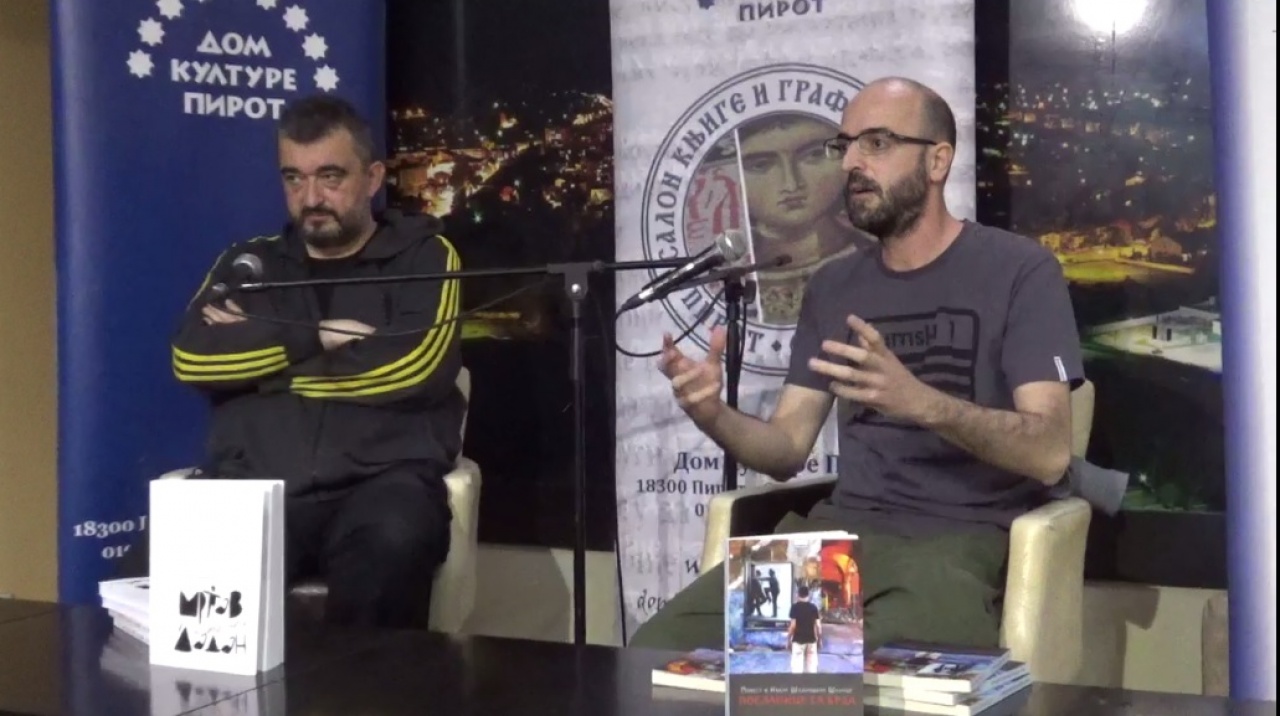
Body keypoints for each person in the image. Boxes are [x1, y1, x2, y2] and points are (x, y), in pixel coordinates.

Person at [629, 77, 1084, 653]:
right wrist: (712, 413)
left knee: (848, 676)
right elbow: (785, 450)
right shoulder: (835, 284)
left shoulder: (1019, 270)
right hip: (833, 545)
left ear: (938, 160)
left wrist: (920, 403)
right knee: (657, 652)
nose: (851, 163)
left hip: (954, 546)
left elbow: (1049, 452)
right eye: (845, 146)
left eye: (877, 143)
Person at [168, 94, 465, 628]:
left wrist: (262, 373)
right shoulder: (249, 265)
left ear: (372, 178)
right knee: (151, 574)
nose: (311, 198)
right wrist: (316, 338)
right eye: (294, 179)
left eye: (330, 177)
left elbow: (413, 367)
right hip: (252, 487)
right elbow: (192, 359)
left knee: (393, 545)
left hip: (379, 484)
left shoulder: (425, 258)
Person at [788, 585, 821, 674]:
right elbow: (818, 626)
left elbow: (793, 626)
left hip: (798, 641)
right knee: (812, 668)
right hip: (811, 640)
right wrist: (819, 640)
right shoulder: (813, 607)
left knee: (797, 669)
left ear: (798, 595)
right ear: (808, 595)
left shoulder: (794, 607)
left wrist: (788, 640)